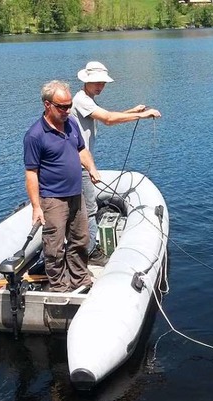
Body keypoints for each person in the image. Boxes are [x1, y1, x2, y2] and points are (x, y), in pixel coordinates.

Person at [71, 61, 162, 266]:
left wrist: (131, 111)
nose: (100, 86)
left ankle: (83, 247)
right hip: (80, 163)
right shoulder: (81, 100)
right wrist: (142, 115)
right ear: (87, 81)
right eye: (96, 82)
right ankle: (92, 253)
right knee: (90, 207)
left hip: (81, 161)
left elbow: (105, 116)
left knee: (85, 206)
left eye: (102, 83)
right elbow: (108, 119)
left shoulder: (87, 99)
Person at [23, 80, 100, 292]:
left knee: (80, 239)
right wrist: (36, 207)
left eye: (69, 106)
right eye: (62, 106)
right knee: (54, 246)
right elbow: (31, 173)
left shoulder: (72, 123)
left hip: (76, 194)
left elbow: (81, 150)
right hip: (53, 198)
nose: (67, 110)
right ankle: (58, 285)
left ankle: (79, 278)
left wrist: (91, 168)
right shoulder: (35, 135)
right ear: (47, 105)